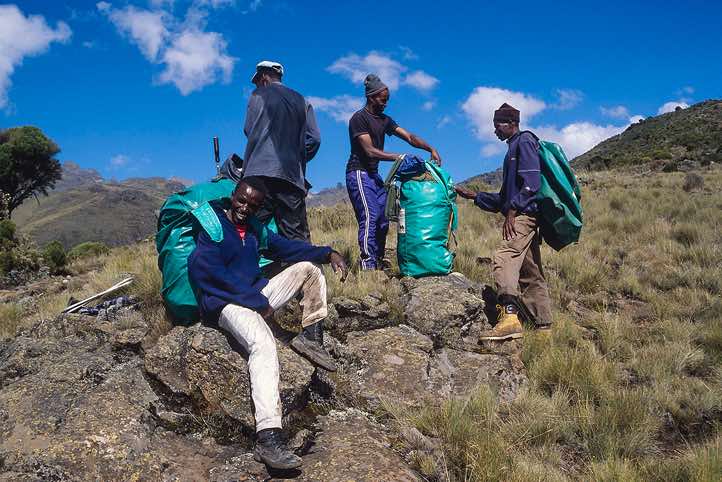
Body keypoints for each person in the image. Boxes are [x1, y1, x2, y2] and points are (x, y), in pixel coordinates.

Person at [187, 177, 347, 470]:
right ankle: (269, 437)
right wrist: (256, 301)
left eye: (253, 205)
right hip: (226, 303)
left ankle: (311, 337)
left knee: (308, 270)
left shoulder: (255, 231)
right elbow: (205, 273)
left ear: (260, 208)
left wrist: (327, 253)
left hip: (253, 295)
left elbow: (288, 249)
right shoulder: (212, 229)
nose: (245, 208)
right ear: (233, 196)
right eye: (241, 200)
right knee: (263, 343)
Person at [455, 103, 553, 341]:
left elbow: (532, 184)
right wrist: (475, 196)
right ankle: (543, 327)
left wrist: (512, 212)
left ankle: (509, 317)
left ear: (512, 123)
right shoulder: (512, 149)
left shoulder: (525, 142)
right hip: (522, 214)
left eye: (498, 125)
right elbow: (503, 199)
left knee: (504, 257)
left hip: (523, 217)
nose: (495, 131)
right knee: (530, 271)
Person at [345, 74, 442, 270]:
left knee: (383, 220)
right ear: (371, 97)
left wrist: (430, 149)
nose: (386, 103)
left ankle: (379, 261)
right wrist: (399, 157)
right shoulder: (359, 118)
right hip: (358, 173)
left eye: (387, 99)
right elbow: (370, 151)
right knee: (371, 216)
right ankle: (367, 266)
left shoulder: (384, 120)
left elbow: (409, 137)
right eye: (383, 99)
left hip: (374, 175)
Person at [243, 61, 321, 242]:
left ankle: (245, 268)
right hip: (291, 177)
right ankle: (305, 269)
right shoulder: (303, 101)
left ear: (263, 77)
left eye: (256, 81)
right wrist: (296, 156)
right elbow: (315, 139)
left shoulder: (258, 95)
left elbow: (249, 130)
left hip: (259, 175)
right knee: (296, 236)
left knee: (249, 231)